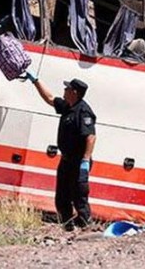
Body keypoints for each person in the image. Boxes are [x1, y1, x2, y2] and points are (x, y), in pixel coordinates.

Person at [24, 73, 96, 230]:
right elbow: (50, 98)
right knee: (62, 194)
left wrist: (85, 159)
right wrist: (35, 81)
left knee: (79, 195)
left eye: (67, 88)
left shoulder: (83, 112)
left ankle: (86, 225)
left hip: (79, 161)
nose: (64, 90)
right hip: (67, 160)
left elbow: (90, 137)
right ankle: (67, 225)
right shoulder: (67, 107)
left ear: (74, 92)